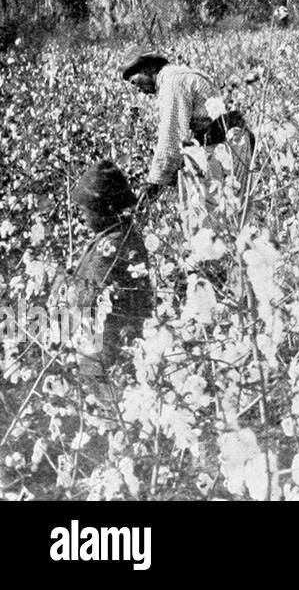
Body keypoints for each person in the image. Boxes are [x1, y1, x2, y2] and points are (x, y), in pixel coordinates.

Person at [120, 49, 253, 234]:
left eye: (135, 81)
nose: (137, 89)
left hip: (225, 146)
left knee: (217, 220)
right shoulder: (178, 75)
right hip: (233, 143)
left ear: (149, 68)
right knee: (234, 214)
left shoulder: (173, 83)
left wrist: (153, 183)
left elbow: (172, 137)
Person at [55, 160, 153, 401]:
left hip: (105, 349)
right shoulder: (123, 236)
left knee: (109, 404)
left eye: (86, 211)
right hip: (117, 345)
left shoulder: (110, 247)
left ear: (102, 210)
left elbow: (88, 299)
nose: (82, 217)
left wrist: (63, 282)